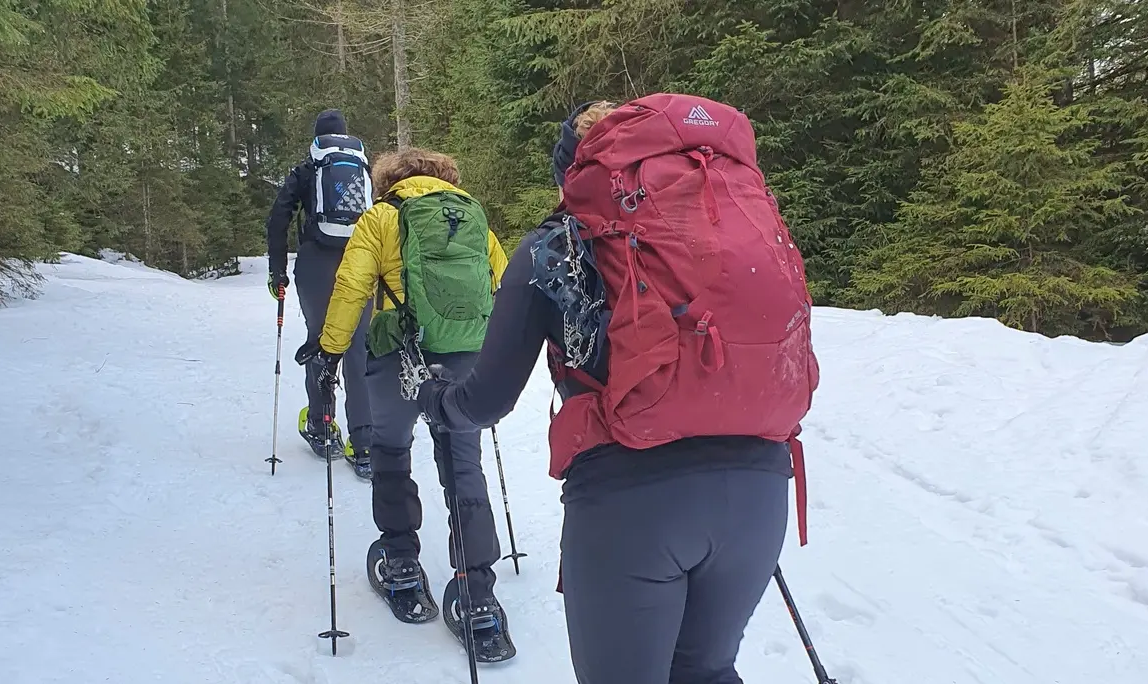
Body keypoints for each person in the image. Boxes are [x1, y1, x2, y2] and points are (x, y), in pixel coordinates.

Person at [416, 94, 820, 683]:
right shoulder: (720, 226)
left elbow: (485, 402)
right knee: (706, 671)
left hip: (632, 501)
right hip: (757, 494)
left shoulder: (555, 247)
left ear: (571, 173)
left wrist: (431, 396)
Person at [295, 147, 516, 662]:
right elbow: (502, 284)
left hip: (398, 355)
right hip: (464, 359)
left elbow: (351, 288)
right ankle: (478, 594)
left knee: (391, 451)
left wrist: (329, 352)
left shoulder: (381, 218)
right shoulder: (472, 217)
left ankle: (400, 564)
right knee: (464, 464)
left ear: (389, 180)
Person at [265, 108, 374, 479]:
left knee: (321, 342)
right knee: (359, 347)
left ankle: (322, 426)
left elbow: (278, 218)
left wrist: (277, 270)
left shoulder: (306, 170)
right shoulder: (363, 169)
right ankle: (364, 446)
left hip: (315, 265)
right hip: (360, 263)